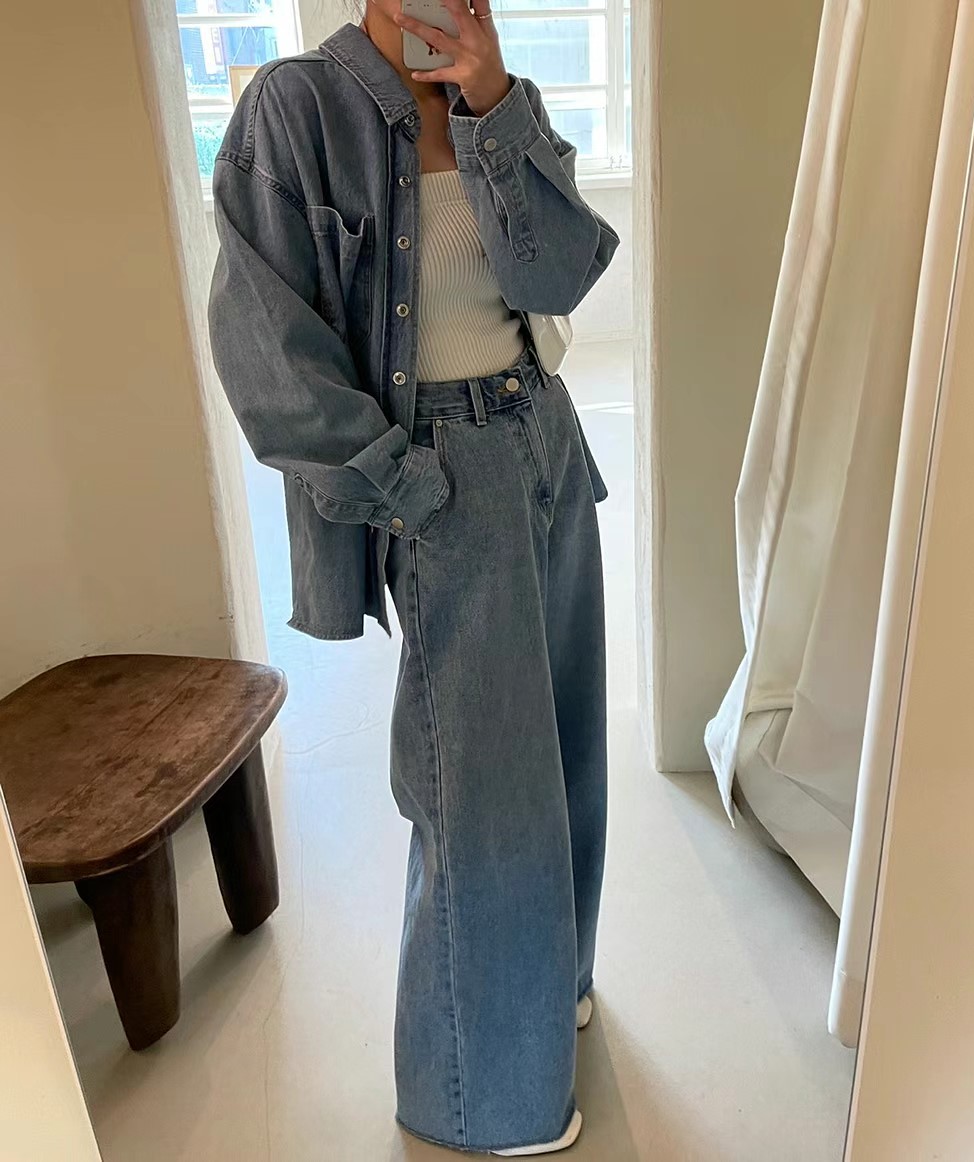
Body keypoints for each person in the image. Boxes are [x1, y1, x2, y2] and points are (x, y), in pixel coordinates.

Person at [208, 0, 618, 1154]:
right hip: (442, 470)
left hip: (543, 438)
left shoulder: (498, 97)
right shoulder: (295, 108)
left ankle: (548, 987)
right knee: (480, 793)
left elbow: (559, 277)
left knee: (568, 754)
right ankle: (481, 1095)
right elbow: (263, 341)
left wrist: (492, 105)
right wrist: (399, 484)